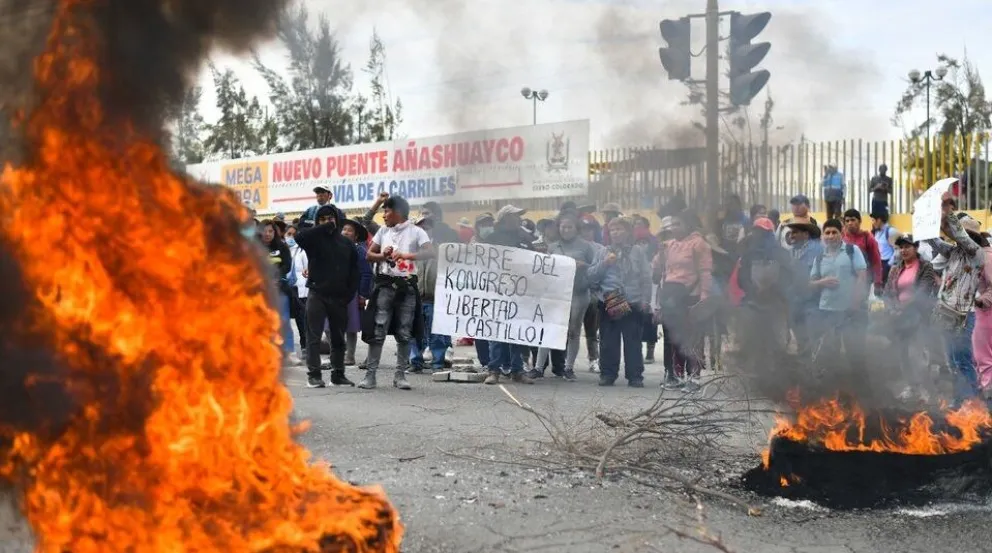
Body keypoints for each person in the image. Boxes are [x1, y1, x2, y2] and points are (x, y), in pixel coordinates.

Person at [360, 195, 434, 390]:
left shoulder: (417, 232)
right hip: (384, 285)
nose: (384, 215)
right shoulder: (382, 232)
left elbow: (429, 252)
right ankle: (370, 376)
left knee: (405, 331)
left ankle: (400, 376)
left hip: (407, 287)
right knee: (378, 329)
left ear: (398, 212)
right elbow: (369, 255)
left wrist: (406, 255)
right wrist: (382, 256)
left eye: (386, 211)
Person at [925, 202, 988, 402]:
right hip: (947, 312)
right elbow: (934, 242)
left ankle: (970, 402)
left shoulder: (977, 253)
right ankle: (961, 400)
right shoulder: (954, 252)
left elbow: (959, 236)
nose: (961, 238)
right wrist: (926, 220)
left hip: (964, 315)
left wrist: (948, 214)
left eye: (966, 235)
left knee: (962, 359)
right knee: (953, 360)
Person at [295, 205, 359, 388]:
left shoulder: (346, 243)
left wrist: (348, 294)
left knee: (338, 338)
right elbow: (299, 237)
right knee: (313, 336)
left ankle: (338, 374)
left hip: (339, 296)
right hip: (317, 293)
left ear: (336, 220)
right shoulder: (313, 240)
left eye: (330, 218)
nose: (326, 222)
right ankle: (314, 375)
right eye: (322, 219)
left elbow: (354, 271)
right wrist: (322, 227)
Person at [652, 213, 713, 393]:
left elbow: (705, 272)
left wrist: (704, 298)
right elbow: (657, 270)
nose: (673, 228)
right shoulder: (669, 245)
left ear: (689, 225)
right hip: (671, 297)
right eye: (672, 225)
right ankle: (674, 375)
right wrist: (659, 252)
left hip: (691, 297)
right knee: (672, 337)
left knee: (693, 338)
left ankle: (694, 377)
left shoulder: (699, 244)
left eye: (678, 223)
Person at [588, 216, 652, 387]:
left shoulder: (637, 251)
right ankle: (608, 374)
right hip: (610, 300)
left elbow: (646, 277)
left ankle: (635, 376)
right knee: (608, 341)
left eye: (619, 229)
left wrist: (646, 300)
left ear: (628, 231)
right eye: (612, 230)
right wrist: (605, 264)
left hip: (633, 301)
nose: (615, 233)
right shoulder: (602, 251)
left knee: (633, 341)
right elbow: (592, 275)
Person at [542, 210, 598, 381]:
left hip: (579, 294)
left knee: (574, 331)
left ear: (576, 228)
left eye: (569, 227)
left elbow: (595, 269)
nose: (566, 230)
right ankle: (538, 367)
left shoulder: (586, 247)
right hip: (557, 294)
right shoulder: (553, 247)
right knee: (550, 329)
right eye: (563, 227)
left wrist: (584, 265)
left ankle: (569, 367)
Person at [483, 205, 535, 385]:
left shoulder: (526, 238)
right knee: (497, 333)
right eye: (514, 216)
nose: (518, 220)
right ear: (504, 219)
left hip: (520, 293)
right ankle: (494, 370)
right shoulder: (492, 239)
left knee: (517, 333)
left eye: (519, 217)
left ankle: (517, 371)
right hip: (497, 291)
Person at [881, 234, 938, 395]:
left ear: (916, 247)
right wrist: (892, 309)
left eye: (907, 246)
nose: (904, 250)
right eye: (901, 247)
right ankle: (912, 387)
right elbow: (887, 293)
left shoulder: (925, 267)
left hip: (917, 316)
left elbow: (924, 291)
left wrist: (903, 309)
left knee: (917, 355)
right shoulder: (895, 268)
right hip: (898, 319)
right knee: (902, 354)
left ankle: (928, 391)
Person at [808, 219, 868, 369]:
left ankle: (857, 384)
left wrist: (855, 302)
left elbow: (862, 276)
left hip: (849, 311)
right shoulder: (820, 256)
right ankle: (833, 384)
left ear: (841, 234)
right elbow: (811, 283)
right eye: (827, 233)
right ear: (823, 236)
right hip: (827, 311)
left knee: (854, 351)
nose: (830, 236)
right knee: (830, 351)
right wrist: (823, 282)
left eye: (834, 232)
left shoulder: (852, 251)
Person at [409, 216, 452, 373]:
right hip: (414, 298)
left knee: (437, 333)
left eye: (427, 226)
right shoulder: (409, 250)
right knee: (414, 333)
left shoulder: (443, 250)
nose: (425, 229)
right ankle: (415, 362)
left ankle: (437, 364)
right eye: (421, 227)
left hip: (436, 299)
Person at [259, 220, 296, 365]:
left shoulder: (282, 247)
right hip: (261, 291)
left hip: (279, 289)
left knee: (284, 320)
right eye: (264, 231)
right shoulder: (254, 247)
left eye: (270, 231)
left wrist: (275, 276)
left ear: (275, 233)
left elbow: (287, 265)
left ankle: (289, 351)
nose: (267, 234)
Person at [784, 221, 823, 356]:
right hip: (795, 298)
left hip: (812, 298)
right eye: (791, 232)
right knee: (798, 330)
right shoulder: (791, 251)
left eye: (795, 232)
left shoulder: (817, 249)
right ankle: (804, 359)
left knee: (813, 333)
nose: (791, 235)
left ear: (806, 234)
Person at [340, 218, 373, 367]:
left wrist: (362, 294)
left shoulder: (359, 251)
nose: (345, 232)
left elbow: (366, 273)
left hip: (352, 293)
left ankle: (349, 355)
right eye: (344, 229)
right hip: (336, 292)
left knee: (351, 326)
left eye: (350, 230)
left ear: (356, 236)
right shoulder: (335, 248)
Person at [580, 218, 606, 373]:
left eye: (590, 229)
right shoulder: (575, 247)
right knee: (571, 331)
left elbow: (602, 271)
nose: (587, 232)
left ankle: (594, 359)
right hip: (576, 292)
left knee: (592, 330)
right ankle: (566, 362)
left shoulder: (601, 249)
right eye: (583, 229)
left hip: (594, 293)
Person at [842, 209, 883, 292]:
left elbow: (876, 261)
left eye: (853, 220)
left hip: (864, 280)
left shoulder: (867, 237)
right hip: (844, 281)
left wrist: (877, 283)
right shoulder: (841, 238)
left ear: (860, 221)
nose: (850, 223)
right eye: (847, 221)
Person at [285, 224, 308, 357]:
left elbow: (307, 270)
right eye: (289, 234)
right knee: (285, 319)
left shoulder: (302, 251)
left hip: (300, 289)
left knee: (301, 319)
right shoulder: (282, 250)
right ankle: (287, 348)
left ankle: (305, 346)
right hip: (285, 288)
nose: (291, 237)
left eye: (294, 234)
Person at [870, 211, 902, 285]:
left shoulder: (891, 231)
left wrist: (889, 265)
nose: (872, 222)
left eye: (873, 220)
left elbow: (898, 250)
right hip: (879, 265)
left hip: (887, 265)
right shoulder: (877, 232)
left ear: (879, 220)